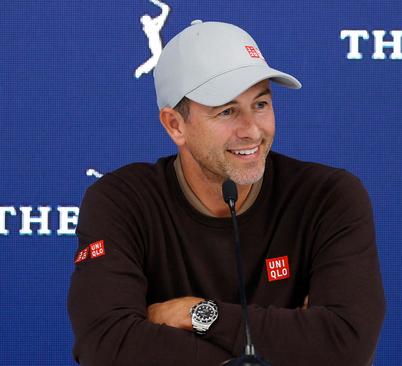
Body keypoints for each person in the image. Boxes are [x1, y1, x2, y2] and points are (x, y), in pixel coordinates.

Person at [68, 21, 385, 366]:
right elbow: (106, 346)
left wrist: (199, 315)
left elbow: (345, 345)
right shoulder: (121, 201)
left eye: (261, 104)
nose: (251, 130)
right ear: (175, 124)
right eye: (227, 111)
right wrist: (288, 345)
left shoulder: (328, 197)